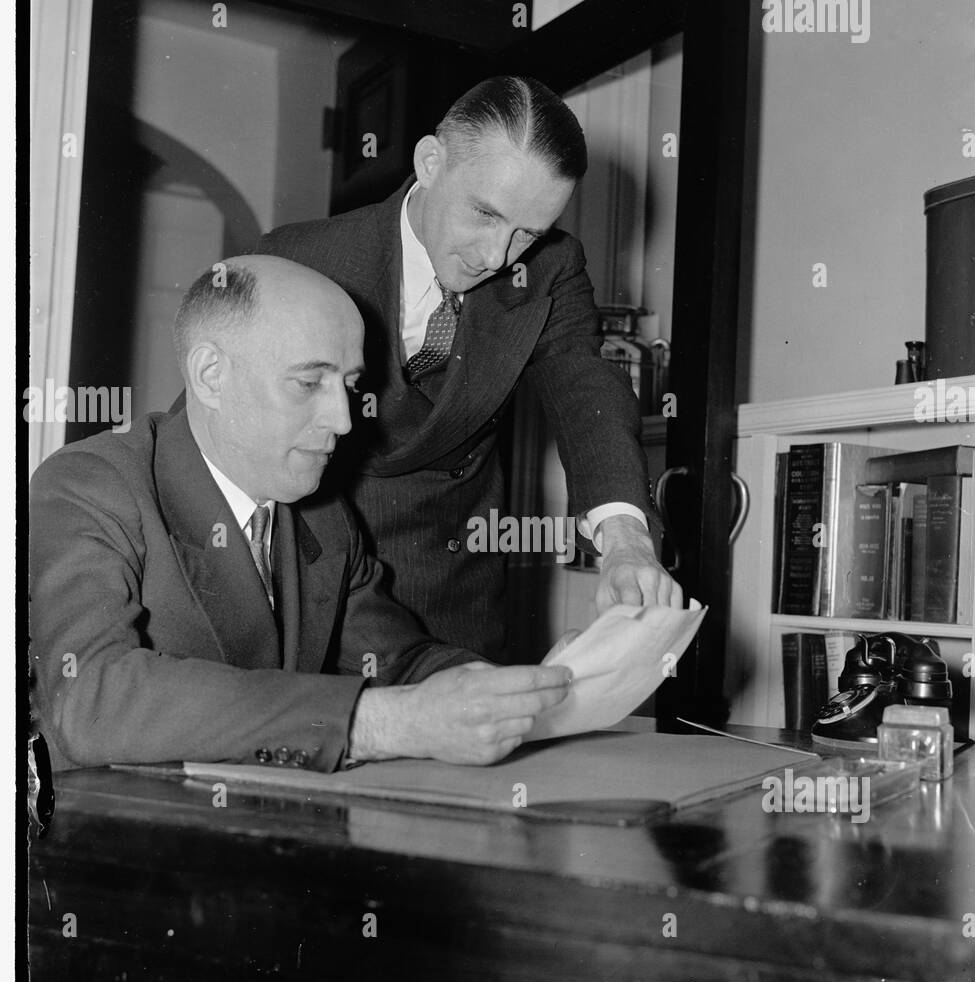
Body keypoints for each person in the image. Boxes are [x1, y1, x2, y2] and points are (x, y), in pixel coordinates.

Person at [28, 256, 571, 773]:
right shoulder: (89, 485)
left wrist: (525, 692)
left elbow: (394, 664)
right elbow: (91, 698)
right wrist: (375, 724)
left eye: (350, 386)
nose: (342, 420)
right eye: (309, 383)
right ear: (211, 375)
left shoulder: (322, 512)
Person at [258, 75, 683, 658]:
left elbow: (586, 392)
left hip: (452, 593)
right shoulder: (295, 259)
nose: (494, 257)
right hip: (310, 583)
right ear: (431, 161)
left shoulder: (552, 268)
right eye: (484, 213)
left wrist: (626, 538)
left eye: (526, 234)